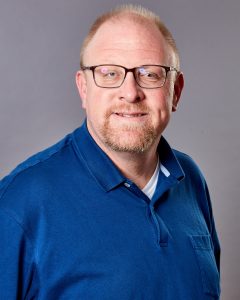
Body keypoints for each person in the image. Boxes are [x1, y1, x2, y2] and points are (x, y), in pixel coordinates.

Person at [0, 4, 220, 299]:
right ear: (83, 89)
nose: (130, 93)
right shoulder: (18, 204)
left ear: (175, 91)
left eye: (150, 74)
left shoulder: (190, 180)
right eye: (109, 73)